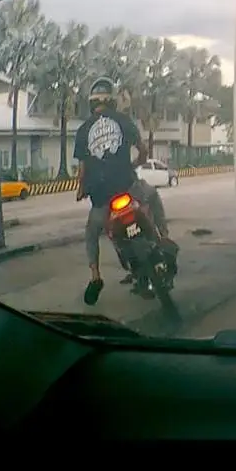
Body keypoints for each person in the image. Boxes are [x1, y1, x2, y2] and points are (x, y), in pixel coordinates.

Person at [74, 76, 171, 305]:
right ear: (112, 100)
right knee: (153, 195)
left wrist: (80, 190)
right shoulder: (123, 120)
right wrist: (136, 163)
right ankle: (165, 238)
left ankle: (95, 276)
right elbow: (143, 151)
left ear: (92, 102)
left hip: (102, 199)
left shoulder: (83, 130)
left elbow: (82, 170)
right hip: (128, 187)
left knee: (91, 234)